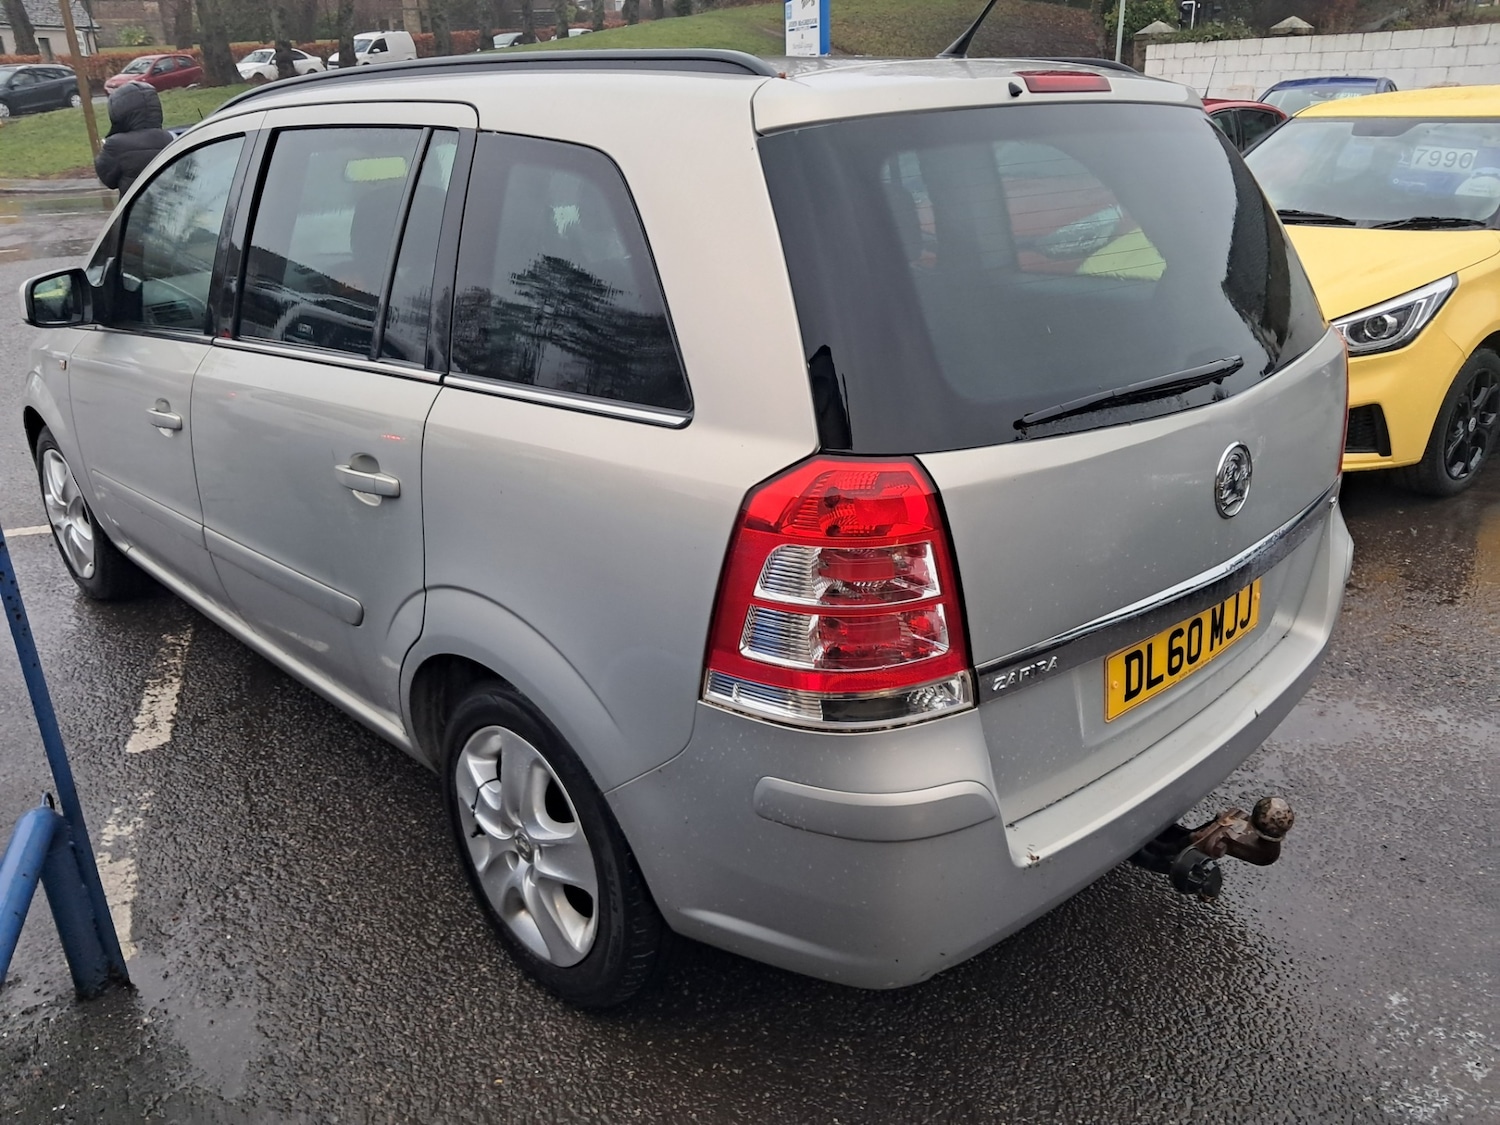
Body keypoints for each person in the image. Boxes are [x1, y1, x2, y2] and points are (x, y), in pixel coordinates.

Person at [94, 81, 173, 197]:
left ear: (119, 111)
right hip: (168, 208)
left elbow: (108, 179)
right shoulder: (170, 138)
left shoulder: (116, 144)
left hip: (135, 210)